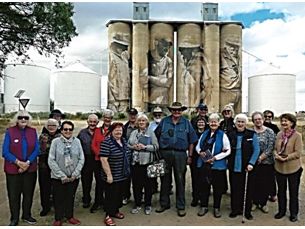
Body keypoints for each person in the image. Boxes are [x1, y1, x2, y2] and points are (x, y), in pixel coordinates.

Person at [155, 102, 198, 217]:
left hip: (180, 154)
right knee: (164, 179)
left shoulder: (186, 123)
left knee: (180, 180)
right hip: (165, 153)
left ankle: (181, 206)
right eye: (174, 110)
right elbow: (156, 136)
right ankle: (164, 203)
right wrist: (158, 153)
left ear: (181, 111)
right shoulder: (164, 122)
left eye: (179, 110)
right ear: (171, 111)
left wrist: (190, 156)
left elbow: (192, 141)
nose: (177, 112)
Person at [2, 110, 39, 226]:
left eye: (26, 118)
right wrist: (18, 163)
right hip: (13, 170)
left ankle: (27, 215)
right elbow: (5, 151)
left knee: (28, 194)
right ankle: (14, 218)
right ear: (16, 119)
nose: (23, 120)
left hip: (30, 168)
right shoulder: (10, 131)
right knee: (13, 195)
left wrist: (27, 163)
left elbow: (36, 149)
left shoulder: (33, 131)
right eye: (20, 117)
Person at [48, 121, 84, 226]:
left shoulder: (77, 141)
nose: (68, 131)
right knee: (58, 198)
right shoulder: (55, 142)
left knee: (70, 197)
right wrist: (61, 175)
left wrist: (75, 174)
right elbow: (51, 160)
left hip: (73, 176)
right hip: (58, 177)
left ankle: (69, 216)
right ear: (61, 130)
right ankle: (58, 218)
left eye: (70, 129)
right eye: (65, 129)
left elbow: (81, 158)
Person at [196, 113, 231, 218]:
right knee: (204, 187)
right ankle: (204, 206)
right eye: (211, 121)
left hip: (217, 165)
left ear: (219, 123)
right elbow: (198, 146)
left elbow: (227, 150)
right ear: (208, 123)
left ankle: (216, 208)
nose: (213, 123)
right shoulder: (205, 134)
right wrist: (200, 152)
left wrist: (215, 158)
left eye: (215, 121)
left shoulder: (222, 135)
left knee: (217, 188)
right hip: (204, 164)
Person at [227, 113, 260, 220]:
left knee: (248, 189)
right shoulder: (230, 134)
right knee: (235, 188)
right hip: (234, 166)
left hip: (247, 167)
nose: (240, 124)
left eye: (242, 122)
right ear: (235, 123)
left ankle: (247, 211)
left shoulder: (252, 134)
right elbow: (226, 148)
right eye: (238, 121)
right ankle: (235, 209)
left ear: (246, 123)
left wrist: (251, 163)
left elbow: (256, 150)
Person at [100, 122, 131, 226]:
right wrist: (109, 175)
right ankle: (108, 215)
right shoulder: (107, 142)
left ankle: (115, 211)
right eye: (116, 130)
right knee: (110, 196)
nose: (119, 132)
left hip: (122, 175)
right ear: (111, 131)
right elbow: (103, 159)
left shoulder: (124, 141)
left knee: (118, 196)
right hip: (111, 176)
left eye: (120, 130)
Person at [273, 113, 303, 222]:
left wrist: (286, 158)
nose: (283, 123)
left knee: (293, 192)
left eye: (286, 121)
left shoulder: (297, 136)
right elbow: (275, 148)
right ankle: (281, 211)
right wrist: (276, 154)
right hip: (279, 168)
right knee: (281, 191)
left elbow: (298, 153)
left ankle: (294, 213)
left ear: (292, 123)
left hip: (293, 169)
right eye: (282, 121)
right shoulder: (279, 134)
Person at [128, 114, 159, 215]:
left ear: (146, 123)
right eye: (140, 121)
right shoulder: (133, 133)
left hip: (147, 163)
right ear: (137, 122)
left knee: (148, 185)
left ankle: (148, 205)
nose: (141, 122)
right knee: (136, 185)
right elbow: (128, 144)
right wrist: (134, 147)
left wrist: (145, 147)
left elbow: (156, 147)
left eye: (143, 121)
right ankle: (137, 204)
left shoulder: (150, 133)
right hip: (135, 163)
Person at [251, 112, 276, 214]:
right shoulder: (250, 132)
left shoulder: (269, 131)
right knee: (254, 183)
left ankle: (263, 203)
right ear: (253, 121)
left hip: (267, 162)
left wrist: (261, 157)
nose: (258, 121)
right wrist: (254, 159)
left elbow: (271, 147)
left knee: (265, 183)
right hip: (253, 162)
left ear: (263, 119)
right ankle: (255, 202)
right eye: (256, 119)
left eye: (260, 119)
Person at [77, 114, 101, 213]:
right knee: (86, 181)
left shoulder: (100, 132)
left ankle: (99, 200)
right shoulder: (82, 133)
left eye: (94, 122)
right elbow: (77, 146)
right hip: (86, 159)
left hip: (98, 160)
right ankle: (86, 199)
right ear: (87, 122)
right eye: (90, 121)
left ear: (97, 122)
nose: (92, 123)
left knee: (100, 181)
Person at [90, 110, 113, 212]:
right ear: (103, 118)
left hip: (109, 161)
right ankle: (97, 201)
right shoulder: (98, 130)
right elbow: (93, 144)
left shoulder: (114, 129)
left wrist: (107, 156)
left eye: (109, 117)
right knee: (99, 182)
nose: (107, 119)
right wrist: (101, 154)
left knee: (108, 182)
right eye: (105, 117)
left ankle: (107, 203)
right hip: (98, 160)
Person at [38, 118, 61, 217]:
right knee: (44, 187)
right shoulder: (42, 136)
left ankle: (57, 206)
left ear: (58, 127)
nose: (51, 127)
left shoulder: (61, 136)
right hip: (44, 165)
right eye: (49, 125)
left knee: (57, 187)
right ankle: (45, 207)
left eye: (54, 125)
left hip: (57, 165)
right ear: (46, 127)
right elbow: (39, 150)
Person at [108, 34, 131, 113]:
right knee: (117, 115)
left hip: (125, 93)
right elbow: (112, 78)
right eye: (121, 47)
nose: (123, 49)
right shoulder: (112, 58)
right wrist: (115, 93)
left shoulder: (124, 58)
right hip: (117, 96)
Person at [147, 37, 173, 108]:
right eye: (164, 45)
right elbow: (142, 78)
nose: (167, 48)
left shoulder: (168, 61)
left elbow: (168, 83)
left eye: (168, 46)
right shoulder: (148, 58)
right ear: (157, 44)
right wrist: (161, 80)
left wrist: (150, 78)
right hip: (151, 101)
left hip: (164, 101)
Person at [190, 117, 208, 207]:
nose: (201, 124)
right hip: (195, 157)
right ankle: (195, 197)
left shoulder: (208, 133)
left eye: (202, 122)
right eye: (199, 122)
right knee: (195, 178)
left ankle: (203, 197)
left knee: (204, 178)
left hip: (205, 157)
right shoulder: (193, 133)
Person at [122, 107, 138, 204]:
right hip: (127, 155)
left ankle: (138, 197)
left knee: (137, 177)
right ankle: (126, 196)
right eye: (130, 114)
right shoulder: (124, 127)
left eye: (134, 115)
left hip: (138, 155)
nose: (132, 116)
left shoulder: (140, 126)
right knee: (126, 177)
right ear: (128, 115)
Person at [263, 109, 280, 202]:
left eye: (269, 116)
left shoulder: (274, 127)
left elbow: (277, 140)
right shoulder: (259, 126)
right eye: (265, 116)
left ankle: (273, 193)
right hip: (261, 156)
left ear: (272, 117)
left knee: (271, 176)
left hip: (271, 155)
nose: (267, 118)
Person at [148, 106, 164, 194]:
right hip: (153, 149)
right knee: (153, 168)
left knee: (163, 169)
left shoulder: (165, 123)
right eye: (156, 114)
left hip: (163, 149)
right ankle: (154, 187)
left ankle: (166, 188)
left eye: (159, 114)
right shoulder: (150, 125)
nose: (157, 116)